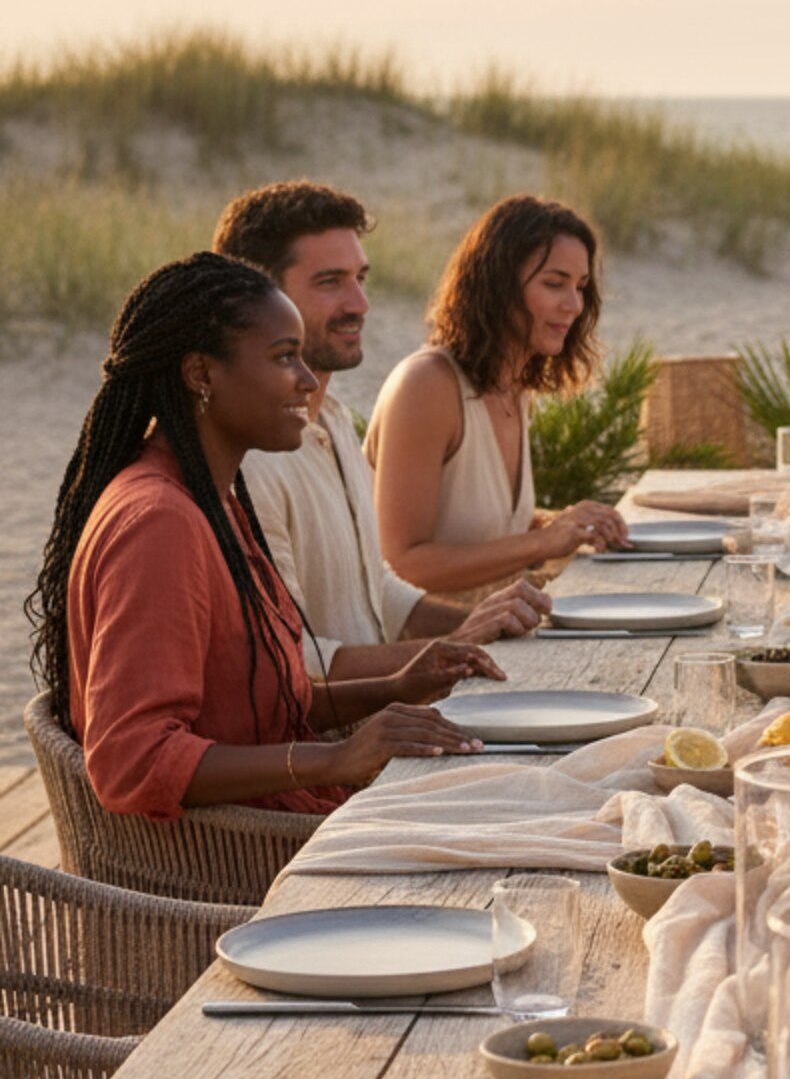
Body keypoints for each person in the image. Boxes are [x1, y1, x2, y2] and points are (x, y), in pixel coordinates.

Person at [26, 254, 490, 821]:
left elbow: (259, 709)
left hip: (292, 824)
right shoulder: (158, 523)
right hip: (244, 863)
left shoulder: (213, 498)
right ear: (200, 375)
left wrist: (396, 685)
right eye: (284, 358)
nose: (307, 379)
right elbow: (133, 761)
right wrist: (334, 759)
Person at [213, 182, 553, 676]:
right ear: (254, 299)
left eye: (361, 278)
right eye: (330, 281)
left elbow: (377, 590)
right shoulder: (246, 462)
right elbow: (285, 662)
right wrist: (451, 646)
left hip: (389, 717)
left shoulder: (332, 421)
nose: (360, 304)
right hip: (337, 747)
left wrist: (482, 623)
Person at [365, 196, 629, 601]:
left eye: (580, 287)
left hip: (503, 637)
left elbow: (488, 531)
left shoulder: (513, 386)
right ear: (498, 285)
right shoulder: (426, 386)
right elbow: (402, 564)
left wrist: (567, 524)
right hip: (430, 651)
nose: (574, 305)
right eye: (554, 284)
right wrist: (543, 543)